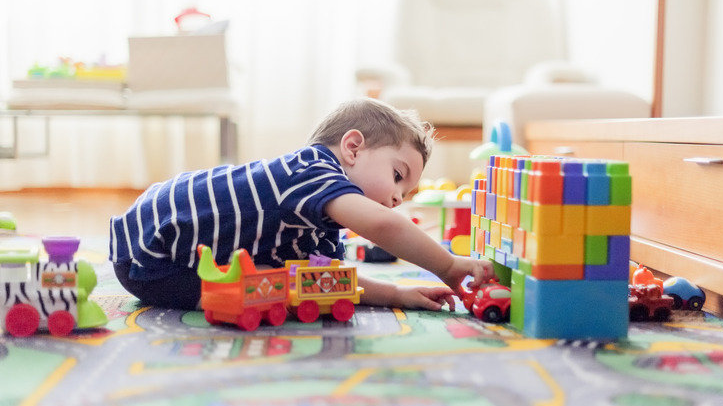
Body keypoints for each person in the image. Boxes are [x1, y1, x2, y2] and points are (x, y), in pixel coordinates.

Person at [109, 98, 494, 312]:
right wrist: (446, 265)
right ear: (353, 147)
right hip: (156, 256)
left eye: (405, 193)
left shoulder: (320, 221)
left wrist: (395, 295)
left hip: (166, 252)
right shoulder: (310, 169)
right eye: (397, 176)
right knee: (272, 290)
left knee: (295, 283)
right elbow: (384, 225)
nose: (397, 199)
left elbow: (325, 281)